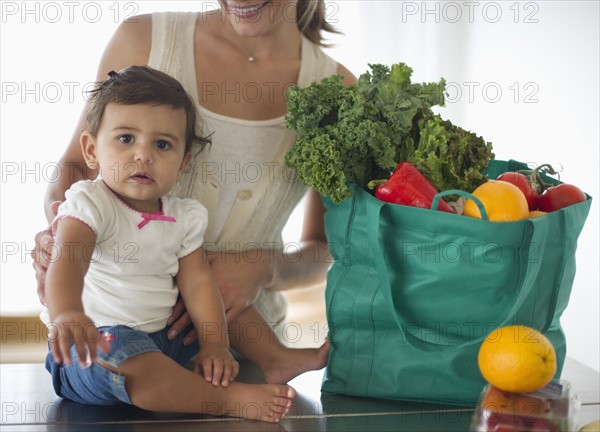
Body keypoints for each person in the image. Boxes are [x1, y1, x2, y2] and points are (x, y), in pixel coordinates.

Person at [33, 1, 355, 348]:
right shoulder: (144, 39)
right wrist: (59, 235)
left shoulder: (339, 92)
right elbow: (77, 165)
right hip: (116, 336)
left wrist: (267, 267)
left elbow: (326, 248)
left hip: (242, 354)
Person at [43, 65, 333, 422]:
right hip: (96, 347)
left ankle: (273, 358)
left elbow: (197, 282)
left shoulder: (183, 216)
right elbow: (68, 260)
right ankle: (224, 400)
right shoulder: (91, 203)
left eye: (162, 144)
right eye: (125, 139)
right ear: (91, 149)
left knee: (214, 286)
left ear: (183, 164)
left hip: (164, 338)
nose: (143, 155)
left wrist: (215, 343)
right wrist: (68, 312)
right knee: (138, 368)